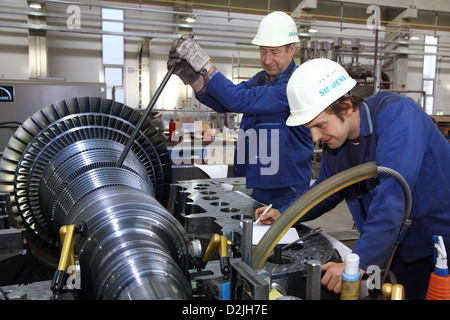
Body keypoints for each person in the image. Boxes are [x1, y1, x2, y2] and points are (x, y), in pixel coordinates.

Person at [255, 58, 450, 300]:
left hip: (437, 245)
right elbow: (325, 191)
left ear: (346, 107)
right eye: (310, 128)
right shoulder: (338, 143)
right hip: (396, 245)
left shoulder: (397, 115)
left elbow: (392, 198)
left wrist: (358, 264)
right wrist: (285, 215)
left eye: (320, 125)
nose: (315, 136)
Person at [168, 11, 314, 210]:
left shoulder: (294, 86)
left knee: (283, 240)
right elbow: (227, 103)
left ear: (291, 49)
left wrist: (203, 63)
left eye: (275, 52)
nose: (268, 59)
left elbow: (237, 100)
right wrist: (194, 80)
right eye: (263, 51)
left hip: (287, 189)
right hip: (261, 183)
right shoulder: (261, 79)